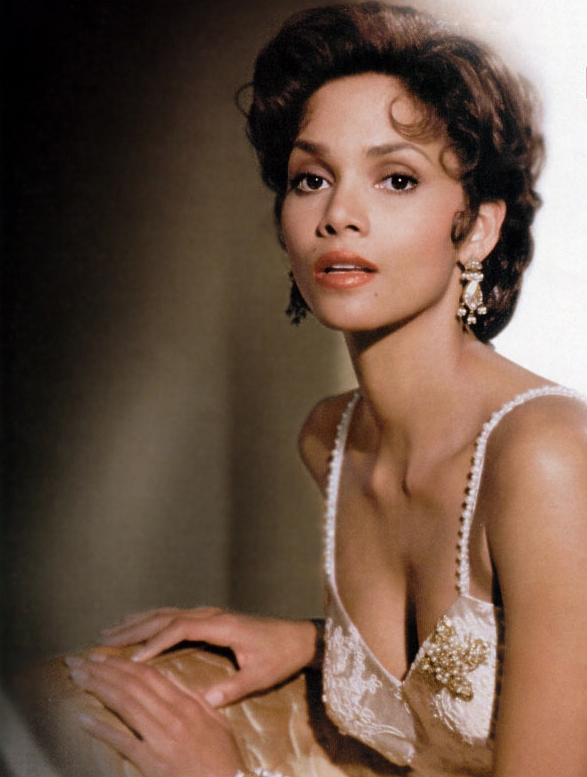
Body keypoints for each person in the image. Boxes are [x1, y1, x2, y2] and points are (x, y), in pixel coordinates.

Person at [64, 3, 587, 776]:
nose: (338, 215)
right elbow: (461, 674)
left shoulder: (544, 459)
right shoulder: (329, 439)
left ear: (476, 227)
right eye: (310, 179)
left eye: (396, 179)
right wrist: (316, 643)